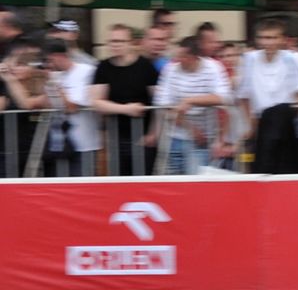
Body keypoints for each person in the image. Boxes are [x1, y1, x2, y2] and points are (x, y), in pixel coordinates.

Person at [238, 17, 298, 173]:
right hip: (261, 122)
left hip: (286, 121)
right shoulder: (249, 59)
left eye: (272, 38)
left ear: (283, 39)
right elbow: (244, 95)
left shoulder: (293, 59)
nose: (267, 42)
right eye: (263, 38)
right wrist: (251, 124)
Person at [153, 35, 232, 174]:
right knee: (171, 185)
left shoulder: (213, 68)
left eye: (184, 56)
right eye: (178, 55)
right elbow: (164, 105)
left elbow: (223, 97)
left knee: (194, 184)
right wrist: (190, 128)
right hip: (174, 137)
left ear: (195, 57)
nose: (179, 60)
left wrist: (190, 100)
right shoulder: (170, 69)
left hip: (201, 141)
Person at [90, 23, 159, 175]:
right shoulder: (103, 67)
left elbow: (158, 102)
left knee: (144, 182)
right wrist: (127, 109)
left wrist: (154, 133)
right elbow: (95, 102)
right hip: (116, 138)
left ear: (131, 43)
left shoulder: (146, 66)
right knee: (119, 183)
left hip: (143, 137)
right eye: (112, 41)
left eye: (120, 41)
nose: (115, 45)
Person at [41, 38, 99, 176]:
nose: (50, 64)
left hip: (84, 144)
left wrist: (56, 85)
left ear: (59, 56)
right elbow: (45, 105)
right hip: (60, 145)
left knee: (83, 188)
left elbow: (71, 107)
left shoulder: (86, 71)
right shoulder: (56, 76)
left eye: (50, 60)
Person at [0, 47, 49, 176]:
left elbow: (26, 103)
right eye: (15, 65)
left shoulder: (43, 87)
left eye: (22, 65)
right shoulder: (6, 88)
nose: (16, 68)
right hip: (6, 151)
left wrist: (10, 80)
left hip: (35, 151)